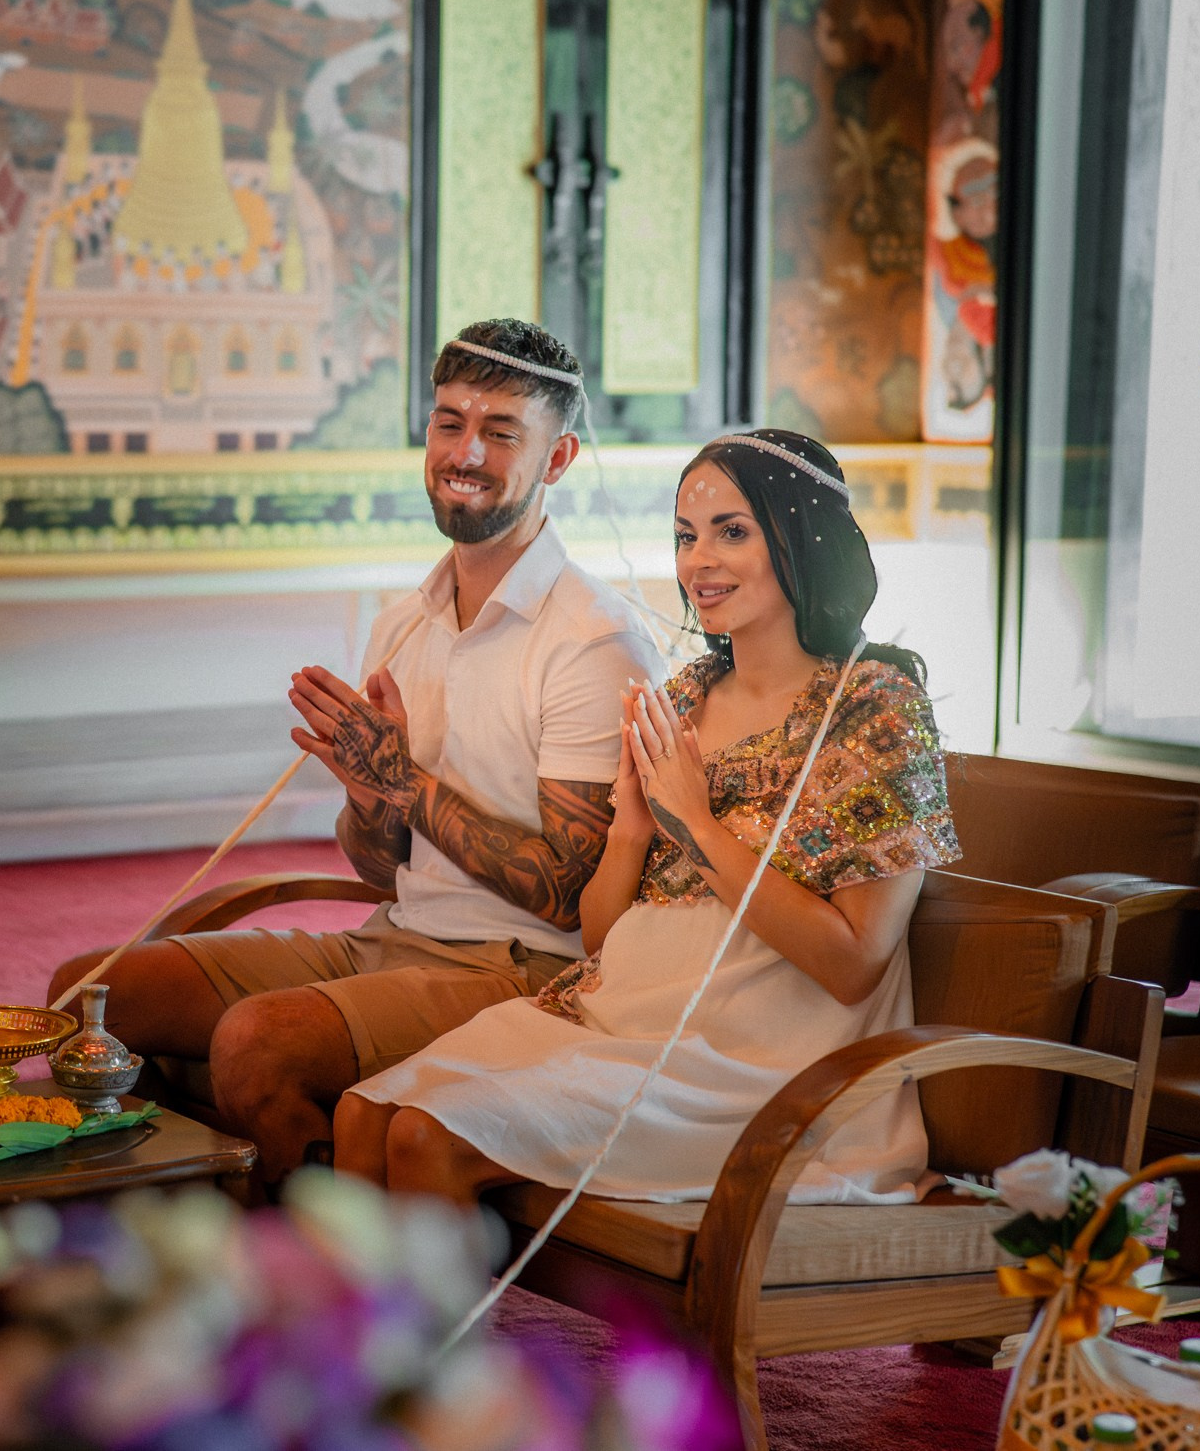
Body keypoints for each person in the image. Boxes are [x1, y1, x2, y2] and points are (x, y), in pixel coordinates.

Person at [48, 321, 665, 1181]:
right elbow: (382, 868)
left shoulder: (595, 640)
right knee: (86, 997)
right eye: (449, 423)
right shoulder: (403, 620)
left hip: (530, 973)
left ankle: (328, 1279)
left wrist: (404, 785)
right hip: (395, 934)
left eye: (500, 433)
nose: (466, 453)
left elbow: (567, 894)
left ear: (557, 459)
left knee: (254, 1044)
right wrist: (372, 802)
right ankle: (185, 1238)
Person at [336, 430, 961, 1207]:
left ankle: (434, 1334)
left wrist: (698, 825)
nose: (699, 561)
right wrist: (632, 825)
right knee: (365, 1113)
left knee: (424, 1134)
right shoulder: (686, 694)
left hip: (757, 1056)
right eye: (684, 536)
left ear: (801, 535)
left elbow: (854, 963)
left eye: (732, 531)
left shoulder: (874, 703)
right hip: (624, 1012)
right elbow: (603, 938)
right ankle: (367, 1331)